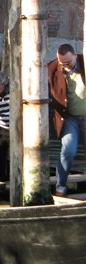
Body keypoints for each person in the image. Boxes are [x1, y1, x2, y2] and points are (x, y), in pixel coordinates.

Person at [48, 43, 86, 196]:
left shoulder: (84, 62)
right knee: (69, 150)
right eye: (61, 63)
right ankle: (60, 186)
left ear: (75, 56)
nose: (64, 66)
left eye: (68, 62)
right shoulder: (52, 68)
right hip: (69, 117)